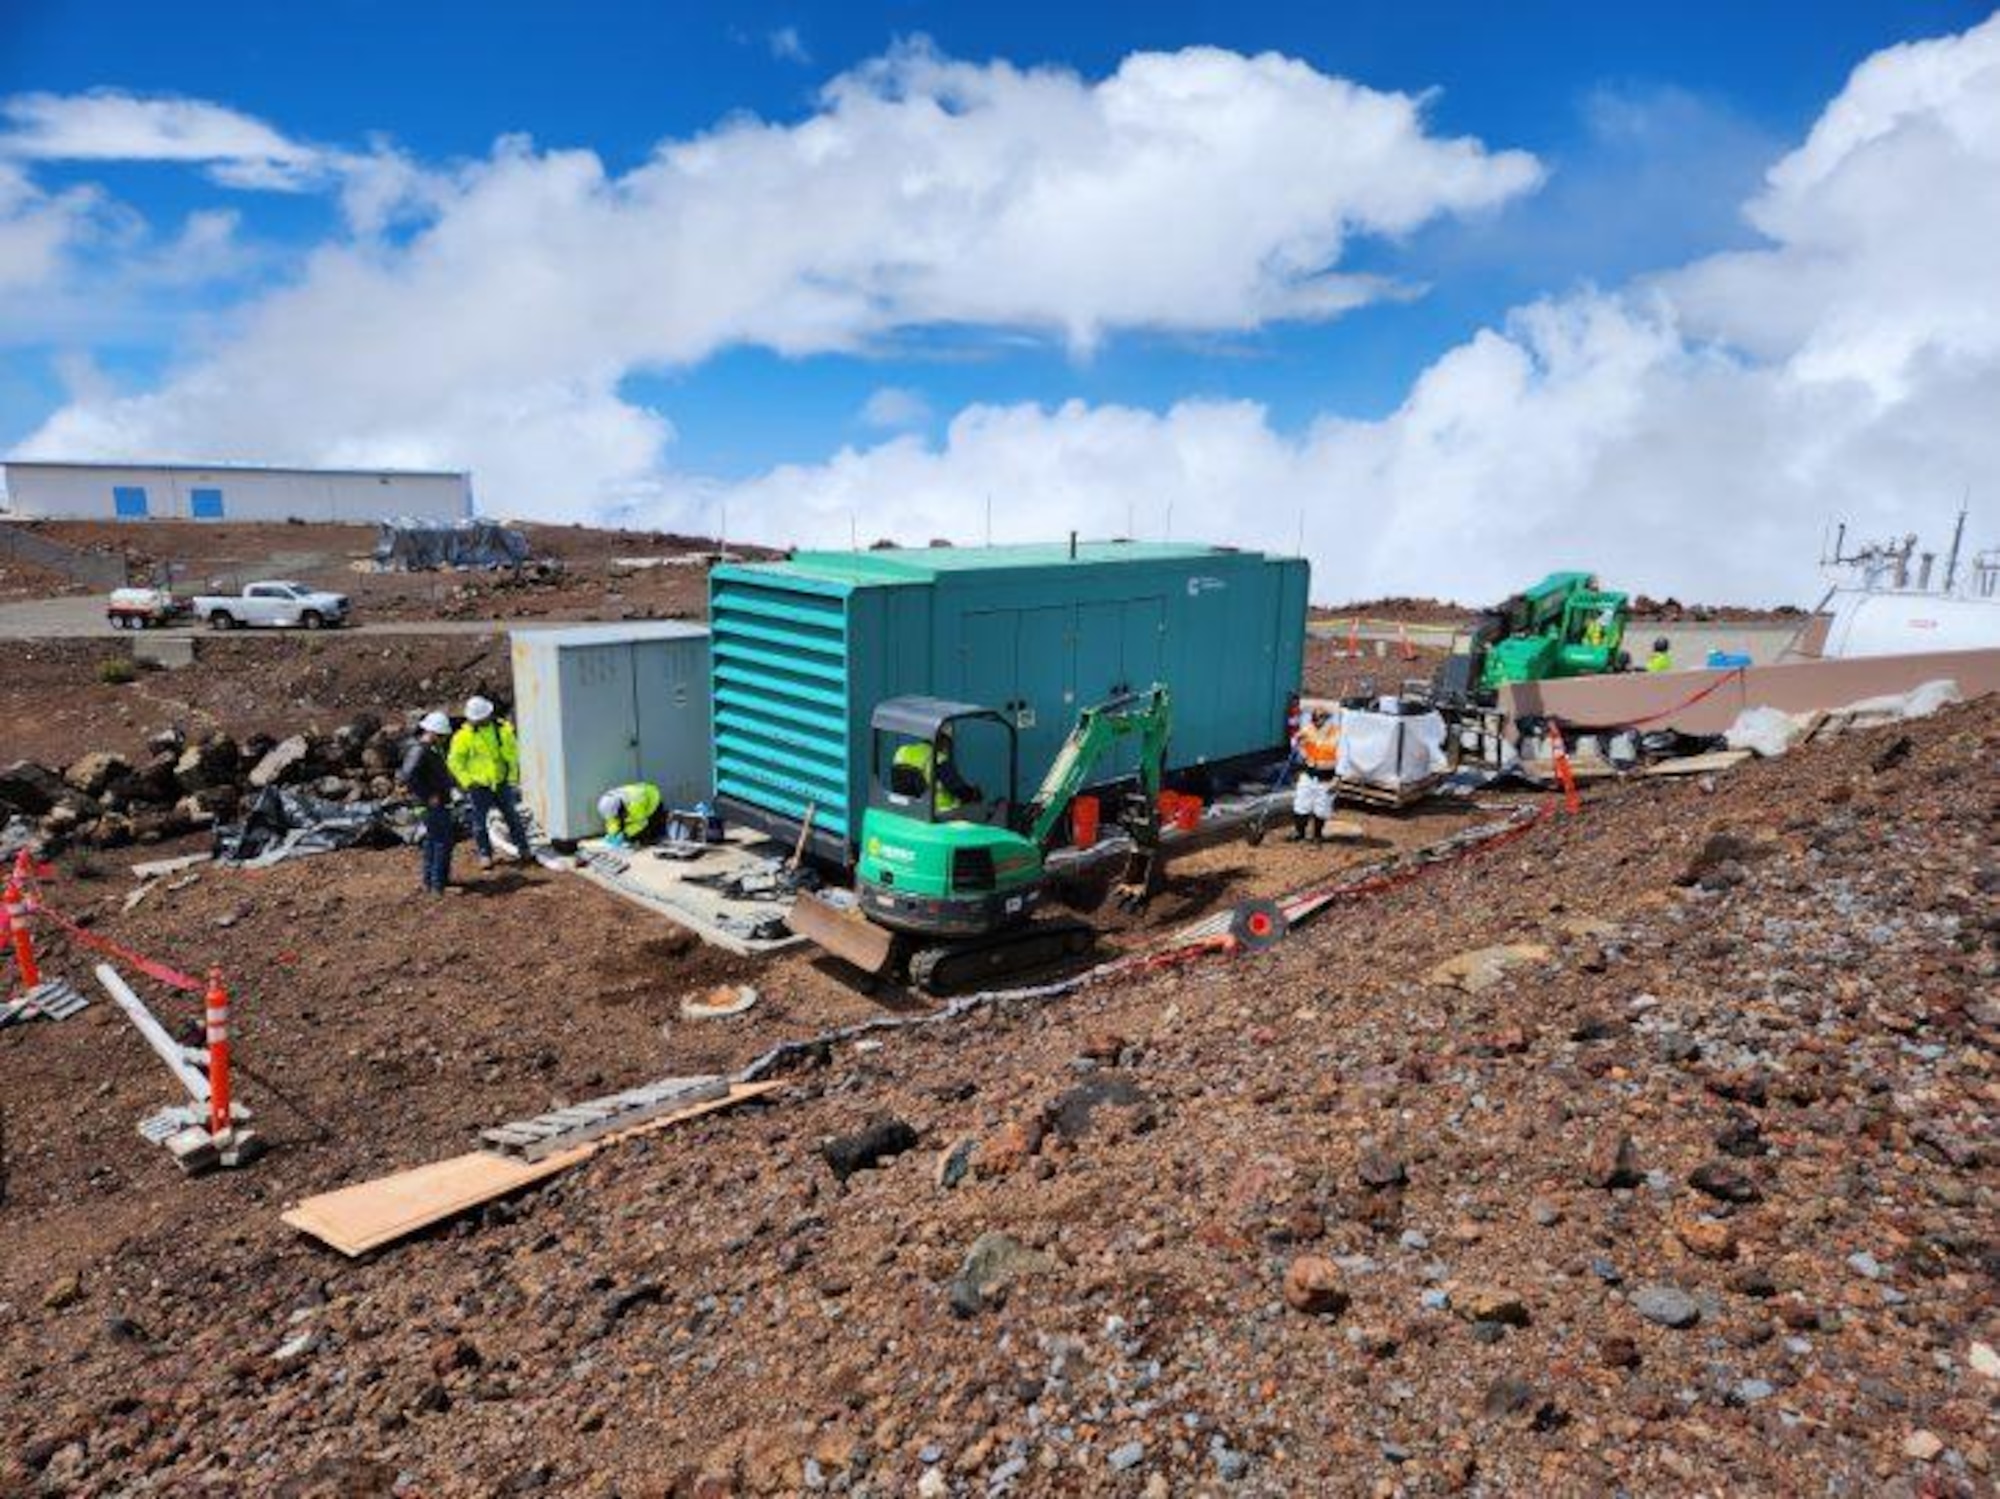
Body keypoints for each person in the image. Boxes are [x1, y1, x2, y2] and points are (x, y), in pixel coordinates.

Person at [447, 695, 532, 868]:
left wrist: (512, 778)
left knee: (512, 817)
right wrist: (468, 781)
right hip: (478, 786)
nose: (477, 721)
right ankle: (485, 854)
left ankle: (523, 849)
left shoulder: (503, 730)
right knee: (479, 823)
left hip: (501, 783)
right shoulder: (463, 737)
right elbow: (455, 762)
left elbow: (512, 756)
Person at [400, 710, 459, 894]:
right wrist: (428, 795)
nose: (443, 739)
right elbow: (407, 776)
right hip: (430, 804)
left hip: (436, 801)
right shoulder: (420, 750)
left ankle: (431, 882)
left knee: (434, 841)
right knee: (442, 841)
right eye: (441, 735)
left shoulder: (429, 749)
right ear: (432, 732)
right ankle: (437, 885)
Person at [892, 727, 981, 818]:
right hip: (938, 813)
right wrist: (973, 794)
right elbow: (958, 789)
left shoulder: (902, 752)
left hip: (907, 808)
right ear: (944, 741)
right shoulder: (939, 760)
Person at [1290, 704, 1341, 843]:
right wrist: (1297, 742)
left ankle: (1317, 835)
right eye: (1314, 719)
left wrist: (1338, 778)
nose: (1316, 722)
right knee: (1301, 805)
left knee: (1322, 808)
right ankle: (1299, 833)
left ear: (1327, 719)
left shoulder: (1337, 735)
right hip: (1308, 774)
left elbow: (1344, 759)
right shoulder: (1308, 730)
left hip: (1327, 778)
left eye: (1319, 719)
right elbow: (1295, 742)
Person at [597, 781, 664, 848]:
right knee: (628, 830)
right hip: (638, 797)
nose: (614, 817)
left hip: (652, 799)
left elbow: (641, 823)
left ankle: (663, 819)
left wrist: (625, 834)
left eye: (616, 815)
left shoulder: (635, 804)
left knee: (648, 835)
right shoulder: (610, 801)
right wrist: (612, 834)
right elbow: (612, 820)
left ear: (620, 808)